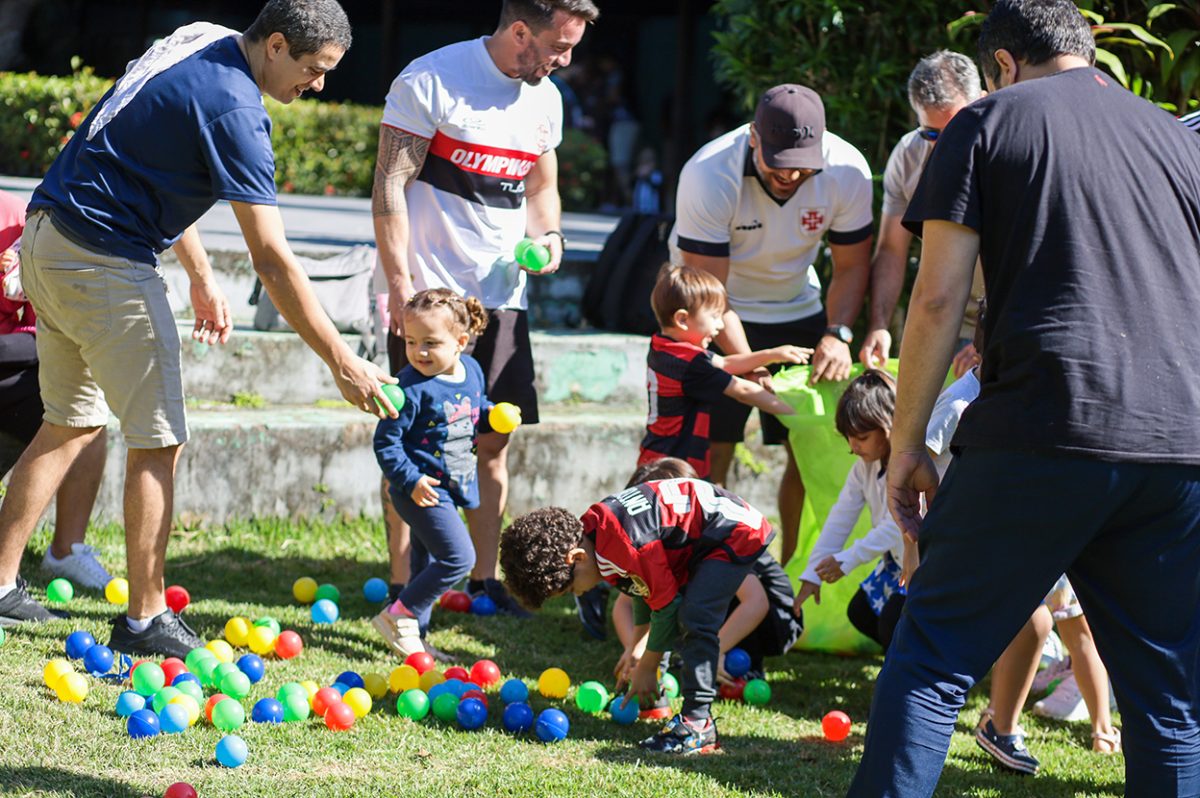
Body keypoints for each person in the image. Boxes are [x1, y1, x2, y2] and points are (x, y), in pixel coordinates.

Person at [852, 1, 1200, 794]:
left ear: (1003, 65)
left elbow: (937, 302)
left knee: (931, 658)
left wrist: (907, 446)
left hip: (1044, 423)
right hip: (1178, 440)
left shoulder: (986, 122)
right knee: (1172, 706)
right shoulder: (1175, 137)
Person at [0, 0, 393, 657]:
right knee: (159, 440)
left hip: (47, 238)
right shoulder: (237, 110)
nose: (320, 84)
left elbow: (146, 151)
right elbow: (272, 259)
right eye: (313, 68)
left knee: (68, 421)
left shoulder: (199, 38)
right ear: (275, 45)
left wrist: (202, 275)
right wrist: (342, 361)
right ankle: (145, 618)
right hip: (104, 261)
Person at [371, 0, 599, 617]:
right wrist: (400, 285)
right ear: (521, 31)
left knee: (493, 441)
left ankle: (480, 578)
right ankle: (402, 581)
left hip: (503, 302)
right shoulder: (432, 80)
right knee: (411, 440)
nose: (566, 61)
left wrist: (551, 239)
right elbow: (390, 184)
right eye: (559, 46)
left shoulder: (545, 98)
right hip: (428, 303)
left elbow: (542, 188)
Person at [669, 83, 874, 566]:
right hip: (715, 312)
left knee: (808, 447)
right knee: (714, 449)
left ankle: (791, 569)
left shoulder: (847, 169)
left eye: (803, 165)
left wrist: (837, 333)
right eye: (778, 162)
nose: (791, 175)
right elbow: (709, 295)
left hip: (797, 309)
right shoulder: (708, 173)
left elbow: (851, 267)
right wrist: (748, 363)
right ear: (753, 137)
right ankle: (706, 569)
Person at [499, 477, 774, 755]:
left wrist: (647, 666)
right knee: (672, 615)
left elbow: (667, 607)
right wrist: (636, 646)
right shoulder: (597, 533)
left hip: (732, 531)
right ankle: (654, 700)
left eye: (571, 588)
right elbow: (643, 589)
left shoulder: (623, 542)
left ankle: (698, 723)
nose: (578, 594)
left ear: (578, 558)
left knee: (695, 617)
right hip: (704, 534)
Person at [609, 457, 803, 698]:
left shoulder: (712, 536)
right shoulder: (655, 543)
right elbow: (624, 605)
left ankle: (744, 663)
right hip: (724, 610)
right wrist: (634, 649)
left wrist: (715, 651)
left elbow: (756, 602)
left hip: (772, 617)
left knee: (693, 602)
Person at [372, 289, 493, 661]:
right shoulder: (408, 387)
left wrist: (494, 414)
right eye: (411, 342)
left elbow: (474, 408)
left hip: (453, 485)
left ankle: (415, 640)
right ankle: (399, 613)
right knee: (459, 557)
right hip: (420, 489)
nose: (419, 352)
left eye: (430, 343)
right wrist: (410, 480)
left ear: (460, 342)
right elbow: (386, 443)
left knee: (424, 563)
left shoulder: (472, 371)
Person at [0, 190, 111, 592]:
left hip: (17, 360)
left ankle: (65, 549)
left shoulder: (20, 215)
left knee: (85, 406)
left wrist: (25, 282)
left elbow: (46, 320)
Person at [858, 52, 986, 377]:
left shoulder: (1013, 148)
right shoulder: (909, 156)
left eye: (957, 128)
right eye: (932, 134)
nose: (945, 145)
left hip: (1004, 322)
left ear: (984, 101)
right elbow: (891, 249)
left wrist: (992, 333)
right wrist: (879, 325)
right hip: (942, 318)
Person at [639, 264, 807, 478]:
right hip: (674, 465)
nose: (720, 325)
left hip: (657, 457)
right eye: (714, 316)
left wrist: (772, 354)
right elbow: (743, 391)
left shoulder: (665, 347)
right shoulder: (691, 364)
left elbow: (726, 363)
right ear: (682, 319)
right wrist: (797, 412)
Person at [794, 370, 906, 650]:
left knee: (893, 623)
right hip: (898, 565)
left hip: (926, 567)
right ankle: (907, 663)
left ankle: (916, 669)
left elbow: (897, 525)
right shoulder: (863, 468)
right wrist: (813, 574)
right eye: (849, 437)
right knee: (862, 612)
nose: (853, 447)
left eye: (862, 437)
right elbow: (840, 517)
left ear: (889, 425)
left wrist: (848, 559)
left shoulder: (909, 465)